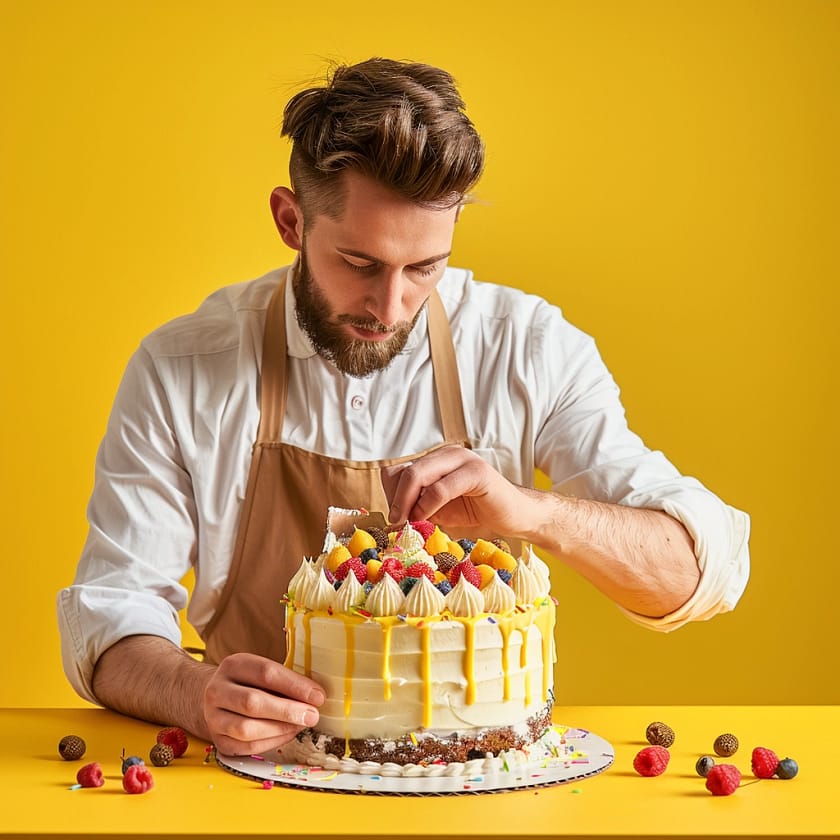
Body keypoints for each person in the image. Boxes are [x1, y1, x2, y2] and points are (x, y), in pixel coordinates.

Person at [58, 57, 749, 757]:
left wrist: (532, 512)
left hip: (477, 790)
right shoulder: (183, 368)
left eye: (424, 268)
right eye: (360, 264)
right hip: (251, 783)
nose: (391, 308)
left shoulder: (529, 349)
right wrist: (194, 695)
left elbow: (697, 574)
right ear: (290, 220)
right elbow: (109, 615)